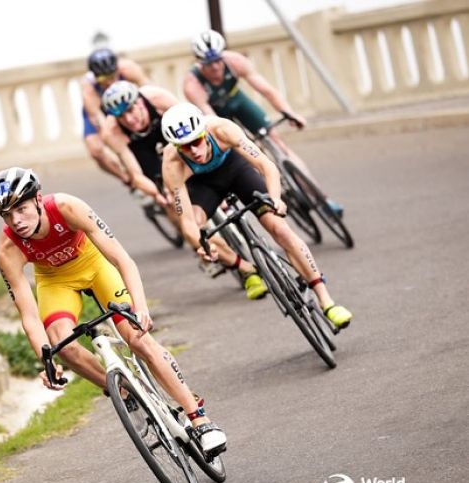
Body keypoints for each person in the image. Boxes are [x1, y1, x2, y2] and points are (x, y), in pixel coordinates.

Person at [0, 166, 226, 453]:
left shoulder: (67, 207)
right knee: (61, 344)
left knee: (138, 338)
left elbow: (122, 259)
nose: (16, 221)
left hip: (95, 264)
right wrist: (47, 361)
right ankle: (123, 391)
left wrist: (140, 308)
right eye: (7, 215)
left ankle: (200, 419)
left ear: (38, 199)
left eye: (22, 209)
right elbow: (28, 314)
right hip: (54, 280)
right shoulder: (7, 249)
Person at [160, 102, 353, 328]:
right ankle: (244, 268)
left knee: (279, 229)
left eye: (196, 141)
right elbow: (186, 222)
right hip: (204, 187)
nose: (193, 150)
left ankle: (327, 301)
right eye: (184, 146)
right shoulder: (171, 163)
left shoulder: (222, 129)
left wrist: (276, 199)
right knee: (198, 230)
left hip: (236, 171)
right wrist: (201, 244)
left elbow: (265, 165)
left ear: (204, 133)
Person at [100, 79, 269, 301]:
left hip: (180, 139)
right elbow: (136, 175)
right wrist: (158, 194)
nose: (130, 119)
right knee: (178, 212)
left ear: (140, 101)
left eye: (132, 110)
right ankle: (241, 266)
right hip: (151, 160)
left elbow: (195, 120)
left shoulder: (156, 97)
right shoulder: (111, 132)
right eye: (122, 117)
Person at [182, 30, 343, 216]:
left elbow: (266, 90)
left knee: (278, 144)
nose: (216, 67)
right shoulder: (192, 84)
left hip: (238, 101)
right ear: (199, 62)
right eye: (209, 64)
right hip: (217, 114)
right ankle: (272, 186)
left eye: (218, 60)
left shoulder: (235, 62)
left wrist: (289, 112)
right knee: (244, 152)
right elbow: (213, 121)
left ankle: (323, 199)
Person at [82, 48, 150, 185]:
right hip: (101, 109)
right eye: (103, 79)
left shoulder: (128, 68)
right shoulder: (88, 86)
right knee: (96, 150)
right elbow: (99, 120)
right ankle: (127, 179)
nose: (109, 83)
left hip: (124, 101)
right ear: (95, 76)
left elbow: (149, 90)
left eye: (112, 76)